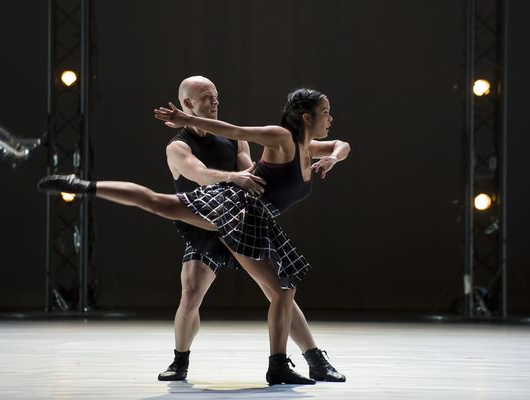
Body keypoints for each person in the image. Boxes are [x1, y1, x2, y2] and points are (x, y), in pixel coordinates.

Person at [38, 86, 350, 385]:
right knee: (162, 209)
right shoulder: (280, 137)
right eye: (326, 112)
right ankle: (83, 186)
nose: (330, 118)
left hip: (254, 219)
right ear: (307, 117)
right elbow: (235, 130)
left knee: (280, 290)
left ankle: (300, 362)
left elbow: (343, 145)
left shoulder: (307, 148)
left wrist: (334, 157)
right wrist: (187, 122)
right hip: (235, 206)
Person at [158, 76, 345, 383]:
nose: (215, 101)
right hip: (205, 224)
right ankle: (180, 360)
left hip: (240, 220)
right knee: (191, 294)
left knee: (280, 290)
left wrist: (288, 171)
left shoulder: (234, 140)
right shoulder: (178, 146)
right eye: (207, 97)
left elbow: (250, 172)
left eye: (216, 95)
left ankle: (315, 359)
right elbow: (201, 175)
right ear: (187, 105)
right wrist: (232, 179)